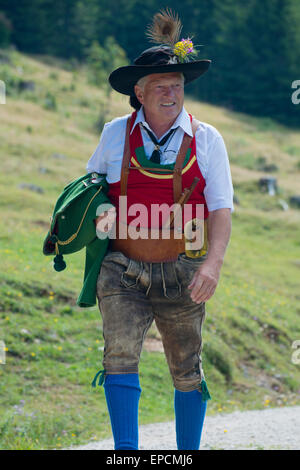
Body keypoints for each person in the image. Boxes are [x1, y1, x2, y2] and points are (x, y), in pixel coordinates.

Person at [87, 10, 234, 450]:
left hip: (184, 270)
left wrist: (212, 265)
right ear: (139, 91)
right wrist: (101, 217)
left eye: (178, 86)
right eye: (161, 86)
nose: (172, 94)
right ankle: (126, 456)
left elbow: (222, 209)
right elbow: (91, 190)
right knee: (118, 358)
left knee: (187, 369)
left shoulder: (207, 139)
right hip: (122, 268)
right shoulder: (115, 134)